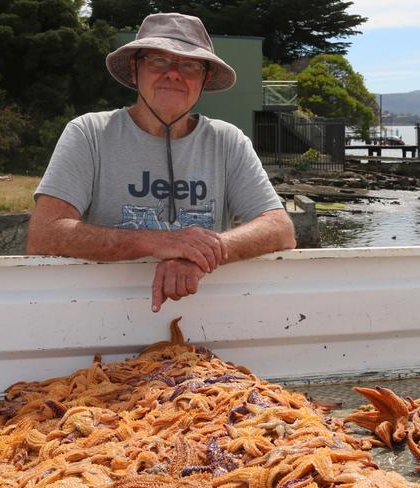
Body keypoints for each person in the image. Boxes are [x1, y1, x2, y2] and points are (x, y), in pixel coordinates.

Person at [26, 12, 296, 312]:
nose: (173, 73)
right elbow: (45, 233)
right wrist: (156, 241)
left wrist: (200, 253)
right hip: (98, 317)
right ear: (134, 69)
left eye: (190, 65)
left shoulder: (228, 141)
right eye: (158, 60)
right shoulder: (89, 133)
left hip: (204, 318)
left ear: (204, 78)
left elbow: (280, 229)